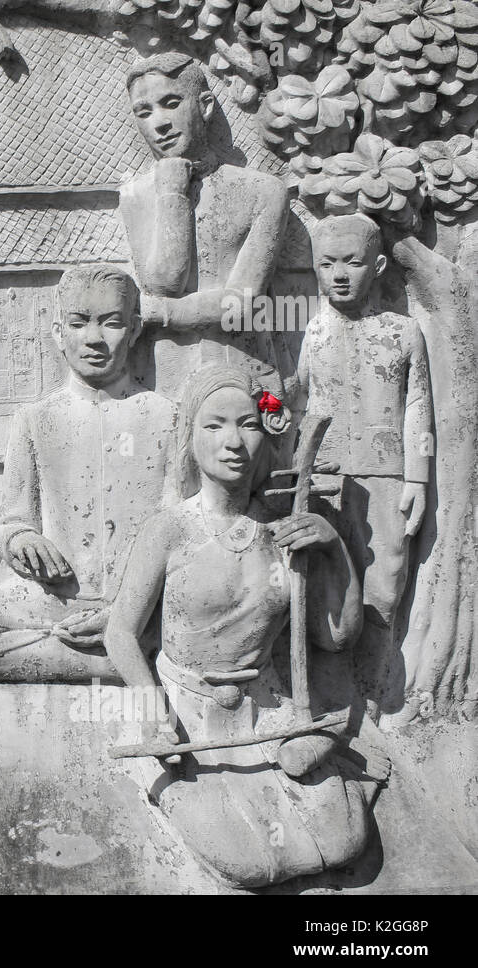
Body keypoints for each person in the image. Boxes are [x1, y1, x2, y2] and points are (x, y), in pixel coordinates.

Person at [104, 366, 377, 888]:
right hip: (188, 716)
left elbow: (336, 637)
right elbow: (121, 633)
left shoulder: (282, 531)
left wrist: (333, 548)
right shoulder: (170, 530)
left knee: (343, 842)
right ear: (189, 437)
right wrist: (155, 713)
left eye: (248, 425)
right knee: (249, 864)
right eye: (214, 426)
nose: (233, 442)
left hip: (267, 711)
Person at [0, 266, 175, 682]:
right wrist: (22, 541)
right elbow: (13, 520)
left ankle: (122, 641)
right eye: (79, 323)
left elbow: (179, 528)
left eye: (111, 323)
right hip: (55, 599)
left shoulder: (166, 416)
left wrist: (128, 609)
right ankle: (113, 663)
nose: (94, 338)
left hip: (142, 603)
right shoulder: (36, 418)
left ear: (134, 329)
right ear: (59, 333)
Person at [293, 213, 433, 711]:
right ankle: (333, 696)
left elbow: (417, 405)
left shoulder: (403, 331)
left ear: (376, 266)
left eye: (352, 262)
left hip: (386, 476)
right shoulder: (313, 332)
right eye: (327, 263)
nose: (339, 275)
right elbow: (298, 396)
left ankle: (373, 696)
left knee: (385, 586)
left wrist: (418, 478)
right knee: (328, 581)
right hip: (326, 478)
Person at [119, 53, 289, 397]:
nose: (159, 123)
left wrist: (161, 312)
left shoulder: (263, 190)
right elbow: (164, 282)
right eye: (144, 112)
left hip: (245, 372)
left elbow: (241, 305)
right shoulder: (135, 195)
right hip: (166, 378)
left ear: (205, 106)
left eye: (171, 104)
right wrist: (172, 193)